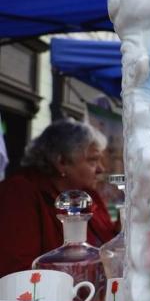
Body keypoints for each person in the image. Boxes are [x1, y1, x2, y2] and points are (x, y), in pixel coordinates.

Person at [0, 119, 117, 277]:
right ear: (62, 161)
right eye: (92, 160)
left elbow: (110, 243)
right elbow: (17, 270)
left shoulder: (89, 195)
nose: (100, 169)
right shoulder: (19, 192)